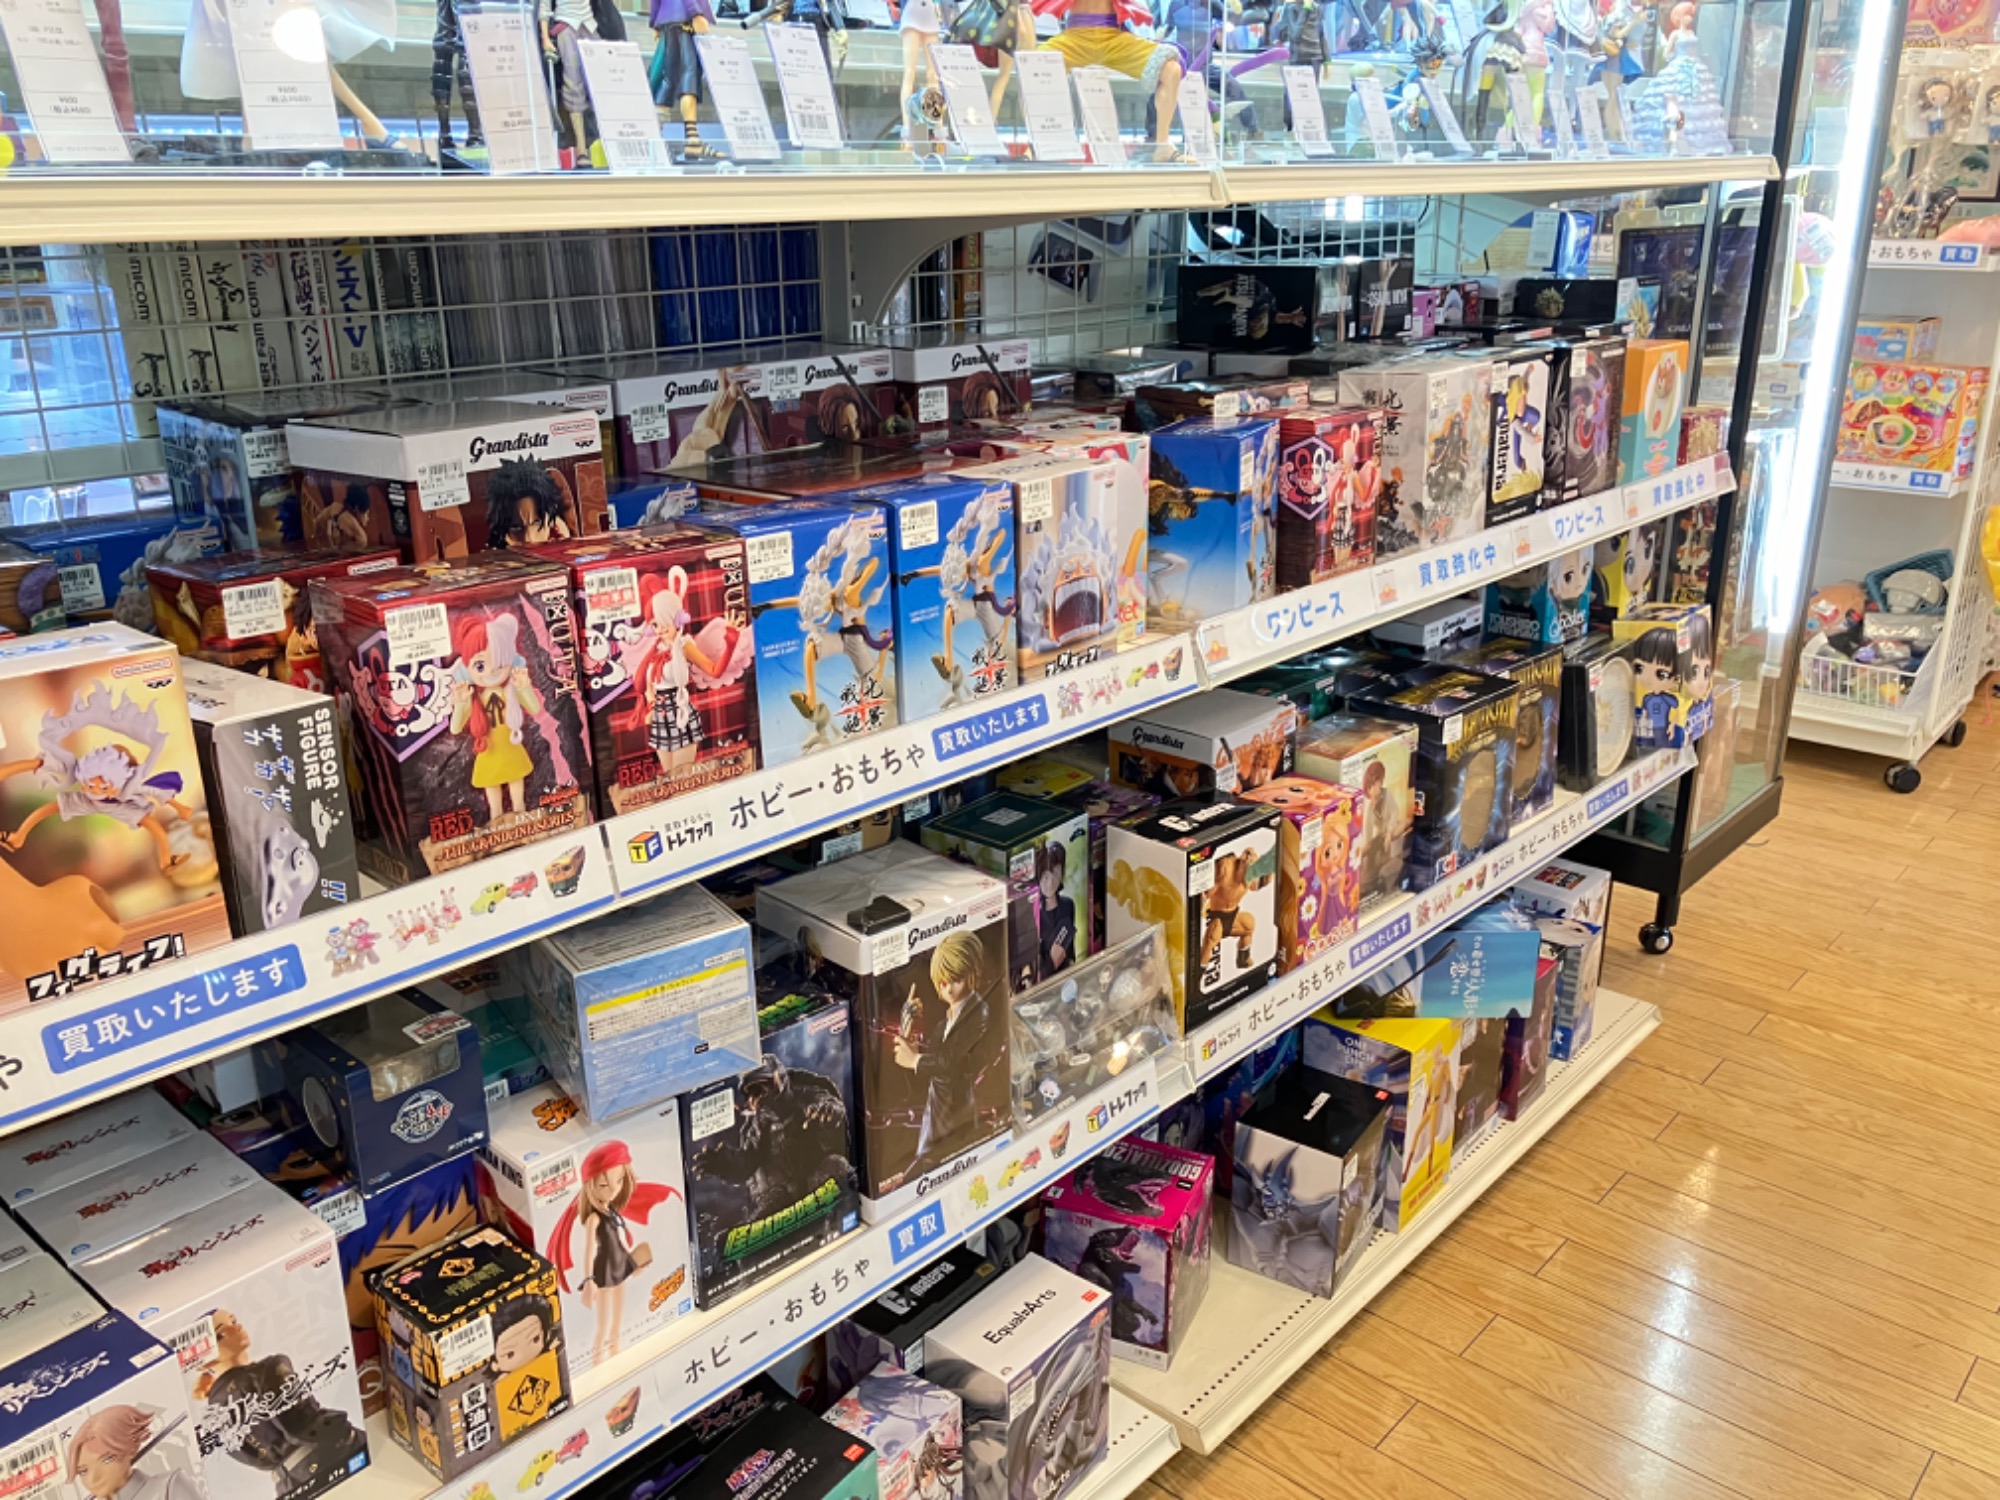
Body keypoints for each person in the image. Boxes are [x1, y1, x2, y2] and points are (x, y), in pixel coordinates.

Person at [895, 931, 1001, 1173]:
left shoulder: (979, 1011)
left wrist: (916, 1059)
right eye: (943, 982)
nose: (949, 988)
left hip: (957, 1117)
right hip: (935, 1114)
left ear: (973, 973)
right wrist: (908, 1030)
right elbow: (931, 1067)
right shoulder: (943, 1024)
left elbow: (953, 1062)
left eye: (956, 979)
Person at [66, 1408, 200, 1500]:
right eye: (83, 1471)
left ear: (130, 1449)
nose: (93, 1478)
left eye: (107, 1459)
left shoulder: (169, 1486)